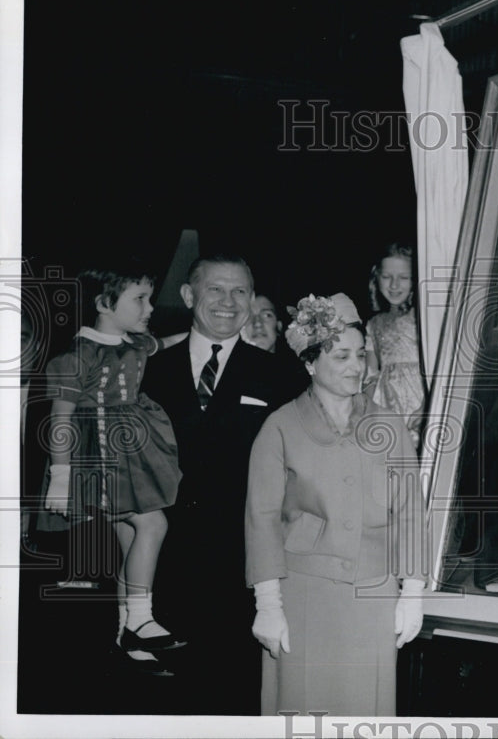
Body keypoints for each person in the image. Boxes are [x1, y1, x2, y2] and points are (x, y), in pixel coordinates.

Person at [141, 253, 308, 713]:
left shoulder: (281, 376)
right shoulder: (149, 371)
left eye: (240, 291)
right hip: (163, 565)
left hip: (242, 569)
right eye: (215, 289)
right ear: (189, 295)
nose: (228, 301)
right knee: (159, 700)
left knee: (233, 694)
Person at [246, 293, 426, 715]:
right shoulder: (280, 427)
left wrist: (413, 592)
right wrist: (268, 605)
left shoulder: (389, 425)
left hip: (374, 594)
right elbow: (262, 518)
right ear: (310, 363)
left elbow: (411, 512)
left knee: (367, 711)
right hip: (305, 597)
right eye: (341, 356)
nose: (355, 367)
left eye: (360, 355)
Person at [42, 264, 188, 674]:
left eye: (149, 297)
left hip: (132, 453)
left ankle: (127, 636)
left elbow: (166, 342)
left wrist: (207, 336)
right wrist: (60, 474)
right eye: (139, 299)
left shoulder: (136, 343)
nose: (150, 307)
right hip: (102, 452)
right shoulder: (80, 353)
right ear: (104, 304)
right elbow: (61, 418)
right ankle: (141, 617)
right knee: (154, 525)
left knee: (131, 543)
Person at [364, 242, 426, 450]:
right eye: (387, 277)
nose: (393, 285)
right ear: (376, 277)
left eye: (403, 278)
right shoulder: (374, 324)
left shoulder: (421, 319)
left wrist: (428, 407)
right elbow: (370, 374)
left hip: (420, 401)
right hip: (386, 405)